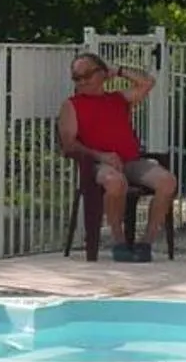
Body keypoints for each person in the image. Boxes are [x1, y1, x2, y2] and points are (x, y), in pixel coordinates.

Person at [58, 51, 176, 262]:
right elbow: (69, 144)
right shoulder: (72, 105)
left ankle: (146, 243)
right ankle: (118, 241)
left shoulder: (117, 98)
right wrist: (101, 156)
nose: (83, 81)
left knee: (167, 182)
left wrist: (118, 71)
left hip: (131, 160)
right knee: (115, 182)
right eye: (77, 77)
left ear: (102, 74)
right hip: (97, 164)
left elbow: (147, 83)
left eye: (87, 74)